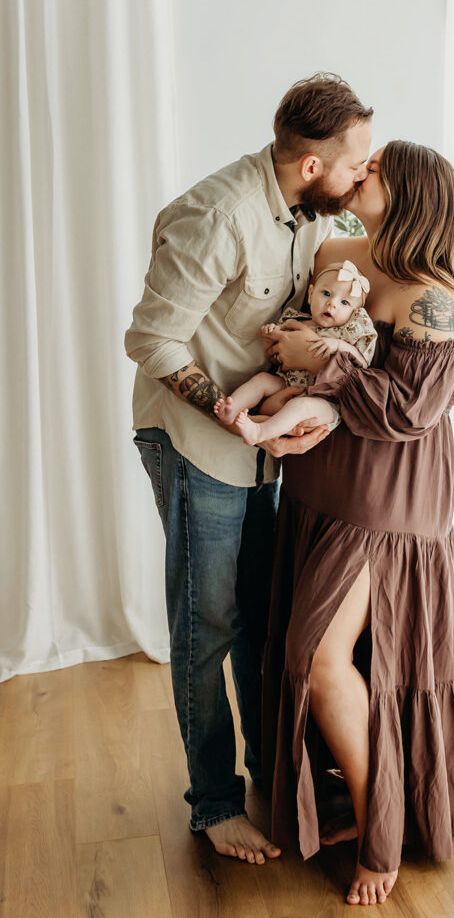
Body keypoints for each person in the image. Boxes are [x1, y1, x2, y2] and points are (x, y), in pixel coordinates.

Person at [124, 73, 373, 863]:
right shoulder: (219, 215)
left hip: (262, 449)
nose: (361, 175)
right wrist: (235, 417)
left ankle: (277, 772)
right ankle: (215, 802)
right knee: (208, 626)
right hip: (199, 444)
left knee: (264, 618)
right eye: (355, 161)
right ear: (310, 166)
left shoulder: (310, 214)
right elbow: (151, 341)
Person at [261, 140, 454, 905]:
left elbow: (409, 411)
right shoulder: (346, 250)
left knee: (320, 658)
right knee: (333, 659)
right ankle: (341, 805)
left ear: (411, 194)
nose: (361, 173)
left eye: (377, 168)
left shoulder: (433, 295)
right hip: (319, 487)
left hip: (381, 505)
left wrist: (320, 365)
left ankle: (379, 828)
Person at [213, 260, 377, 445]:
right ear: (310, 295)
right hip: (287, 383)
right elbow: (274, 357)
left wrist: (338, 345)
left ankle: (259, 432)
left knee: (300, 406)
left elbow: (362, 364)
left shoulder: (345, 336)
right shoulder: (297, 322)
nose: (332, 304)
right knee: (262, 380)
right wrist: (270, 337)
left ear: (354, 314)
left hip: (325, 401)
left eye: (344, 302)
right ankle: (232, 408)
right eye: (326, 293)